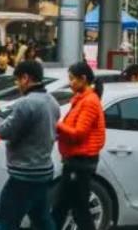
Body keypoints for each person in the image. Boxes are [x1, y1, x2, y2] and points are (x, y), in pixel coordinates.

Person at [0, 60, 60, 230]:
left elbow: (3, 131)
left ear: (25, 78)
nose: (17, 84)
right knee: (42, 218)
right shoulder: (52, 102)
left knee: (6, 222)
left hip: (24, 175)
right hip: (43, 171)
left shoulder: (26, 103)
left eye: (17, 80)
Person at [52, 62, 105, 230]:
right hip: (76, 160)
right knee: (66, 206)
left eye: (72, 79)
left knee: (76, 207)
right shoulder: (82, 100)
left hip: (80, 161)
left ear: (83, 79)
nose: (70, 83)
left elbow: (79, 133)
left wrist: (57, 125)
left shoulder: (89, 101)